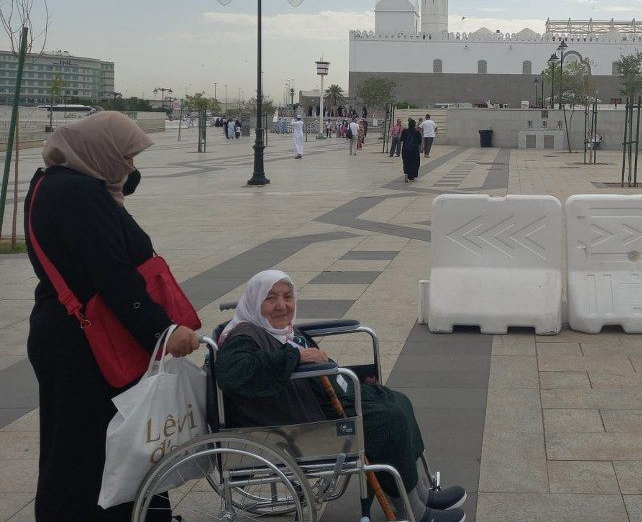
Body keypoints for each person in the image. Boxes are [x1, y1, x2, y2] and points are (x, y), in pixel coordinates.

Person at [25, 112, 200, 522]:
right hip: (85, 342)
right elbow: (113, 275)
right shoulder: (80, 195)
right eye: (126, 157)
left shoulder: (51, 183)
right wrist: (163, 330)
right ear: (99, 151)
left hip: (65, 331)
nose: (130, 168)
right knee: (95, 446)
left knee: (73, 441)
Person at [216, 271, 465, 522]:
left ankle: (418, 494)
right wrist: (297, 357)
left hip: (325, 395)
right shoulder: (245, 335)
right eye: (271, 298)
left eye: (288, 297)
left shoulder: (275, 330)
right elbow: (233, 373)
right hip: (310, 415)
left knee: (398, 402)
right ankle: (414, 513)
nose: (282, 306)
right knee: (388, 420)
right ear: (254, 302)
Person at [401, 118, 422, 182]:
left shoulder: (404, 131)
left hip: (405, 149)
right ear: (414, 124)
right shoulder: (417, 132)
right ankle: (412, 176)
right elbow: (420, 141)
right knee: (414, 163)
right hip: (414, 150)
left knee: (406, 162)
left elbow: (401, 139)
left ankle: (406, 174)